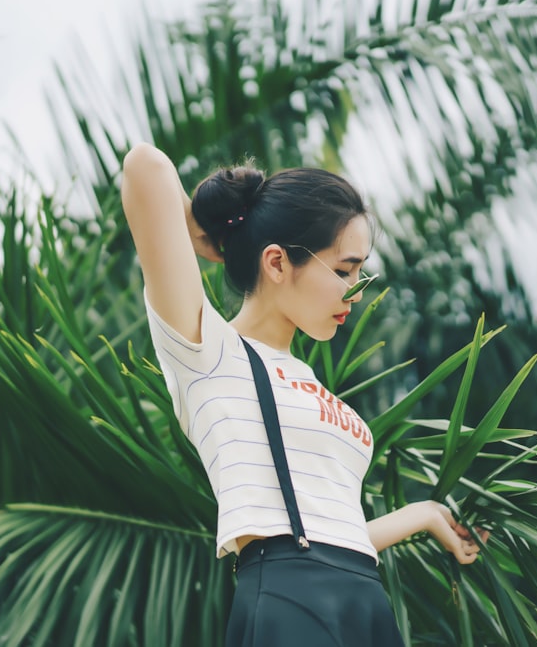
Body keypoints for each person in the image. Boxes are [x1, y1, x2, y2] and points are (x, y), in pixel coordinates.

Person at [121, 144, 487, 647]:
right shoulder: (209, 351)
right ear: (276, 261)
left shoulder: (311, 381)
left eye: (361, 274)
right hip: (290, 600)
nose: (354, 293)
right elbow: (146, 166)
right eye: (343, 271)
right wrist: (220, 238)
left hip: (364, 600)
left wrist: (421, 515)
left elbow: (331, 531)